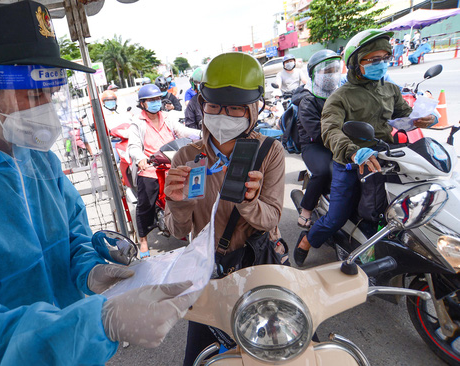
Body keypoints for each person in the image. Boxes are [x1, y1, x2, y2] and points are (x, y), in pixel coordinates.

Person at [0, 2, 196, 364]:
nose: (46, 105)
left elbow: (72, 239)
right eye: (33, 92)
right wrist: (96, 324)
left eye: (51, 91)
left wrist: (90, 270)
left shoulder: (41, 163)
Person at [163, 52, 285, 365]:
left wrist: (249, 203)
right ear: (202, 104)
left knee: (277, 351)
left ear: (253, 109)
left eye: (235, 108)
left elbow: (271, 217)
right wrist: (178, 203)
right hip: (208, 274)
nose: (223, 115)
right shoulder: (186, 159)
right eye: (214, 105)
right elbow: (178, 232)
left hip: (257, 268)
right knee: (201, 358)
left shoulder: (269, 152)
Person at [293, 29, 436, 267]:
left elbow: (404, 114)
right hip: (350, 161)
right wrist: (352, 150)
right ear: (356, 64)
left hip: (384, 158)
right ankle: (308, 240)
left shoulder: (390, 90)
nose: (380, 64)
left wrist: (423, 118)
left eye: (383, 58)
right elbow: (329, 130)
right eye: (373, 60)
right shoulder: (340, 97)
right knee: (335, 218)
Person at [127, 84, 199, 259]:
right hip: (151, 168)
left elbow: (182, 131)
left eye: (157, 99)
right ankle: (143, 240)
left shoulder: (167, 117)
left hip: (172, 163)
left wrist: (203, 134)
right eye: (150, 100)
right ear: (142, 103)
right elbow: (134, 146)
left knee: (196, 192)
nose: (155, 103)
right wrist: (141, 158)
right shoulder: (137, 122)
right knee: (145, 205)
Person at [292, 50, 342, 229]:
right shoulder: (308, 100)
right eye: (326, 71)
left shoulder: (341, 94)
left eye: (335, 70)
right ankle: (306, 209)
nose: (332, 75)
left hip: (341, 141)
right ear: (314, 74)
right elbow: (316, 131)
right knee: (323, 171)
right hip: (314, 145)